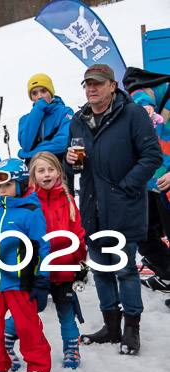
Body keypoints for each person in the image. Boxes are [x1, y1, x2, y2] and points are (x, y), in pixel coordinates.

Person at [66, 64, 163, 355]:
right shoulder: (79, 119)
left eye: (97, 83)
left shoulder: (131, 114)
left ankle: (131, 330)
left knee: (125, 270)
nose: (91, 89)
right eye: (87, 84)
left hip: (124, 207)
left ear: (112, 86)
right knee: (100, 270)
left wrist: (127, 187)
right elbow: (73, 166)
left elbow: (152, 155)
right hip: (92, 208)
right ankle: (110, 327)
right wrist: (69, 162)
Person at [3, 152, 87, 371]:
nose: (46, 174)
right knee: (28, 310)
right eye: (41, 170)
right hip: (37, 270)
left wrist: (80, 260)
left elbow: (76, 231)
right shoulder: (29, 203)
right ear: (33, 176)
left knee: (66, 312)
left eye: (50, 169)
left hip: (63, 267)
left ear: (59, 172)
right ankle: (7, 340)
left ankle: (71, 348)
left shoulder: (68, 200)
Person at [0, 158, 51, 372]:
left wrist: (41, 280)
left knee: (27, 327)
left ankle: (38, 367)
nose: (2, 190)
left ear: (21, 184)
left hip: (20, 283)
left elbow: (41, 248)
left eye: (7, 185)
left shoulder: (30, 212)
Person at [122, 68, 170, 290]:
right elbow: (141, 93)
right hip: (152, 182)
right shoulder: (159, 91)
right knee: (141, 230)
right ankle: (167, 274)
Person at [17, 73, 74, 192]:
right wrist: (38, 110)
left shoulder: (65, 112)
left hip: (59, 170)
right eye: (34, 93)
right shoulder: (25, 120)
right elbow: (26, 144)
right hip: (34, 173)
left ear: (51, 92)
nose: (39, 96)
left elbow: (63, 142)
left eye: (43, 91)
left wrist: (28, 153)